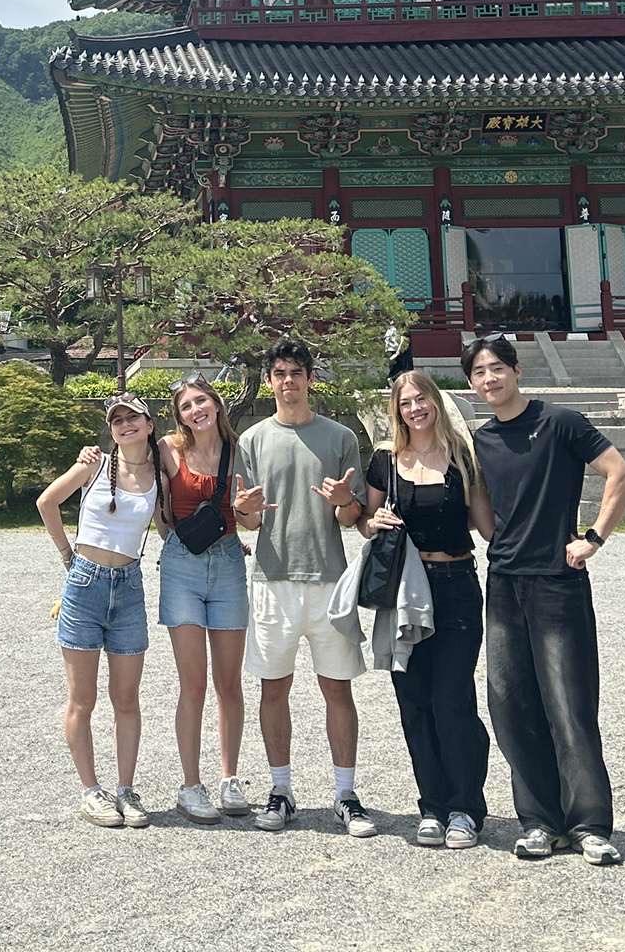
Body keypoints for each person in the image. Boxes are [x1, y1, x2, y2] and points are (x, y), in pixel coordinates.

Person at [462, 333, 625, 866]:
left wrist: (593, 537)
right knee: (511, 705)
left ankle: (588, 824)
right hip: (505, 580)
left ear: (516, 370)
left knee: (570, 704)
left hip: (558, 580)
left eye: (497, 368)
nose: (489, 379)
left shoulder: (561, 422)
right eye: (478, 373)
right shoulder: (481, 440)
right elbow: (486, 518)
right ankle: (539, 821)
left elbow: (621, 474)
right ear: (470, 384)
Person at [236, 336, 377, 836]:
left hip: (329, 578)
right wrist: (246, 514)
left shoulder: (340, 437)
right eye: (279, 373)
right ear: (269, 380)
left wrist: (343, 500)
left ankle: (346, 793)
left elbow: (351, 515)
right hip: (272, 579)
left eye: (297, 372)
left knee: (336, 688)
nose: (288, 382)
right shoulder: (251, 441)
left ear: (310, 379)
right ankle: (281, 789)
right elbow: (247, 522)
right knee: (274, 688)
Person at [357, 369, 495, 851]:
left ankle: (466, 806)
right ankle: (432, 805)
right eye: (405, 403)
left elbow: (486, 526)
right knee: (413, 700)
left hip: (456, 582)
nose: (415, 409)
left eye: (421, 399)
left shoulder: (463, 457)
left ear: (436, 401)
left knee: (453, 698)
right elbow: (365, 523)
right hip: (405, 592)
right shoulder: (386, 462)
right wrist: (369, 519)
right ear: (396, 411)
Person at [37, 394, 164, 829]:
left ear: (149, 424)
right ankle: (91, 790)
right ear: (110, 430)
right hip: (85, 584)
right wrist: (67, 557)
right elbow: (46, 502)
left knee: (126, 698)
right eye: (117, 420)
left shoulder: (160, 474)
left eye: (133, 418)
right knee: (82, 698)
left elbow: (170, 525)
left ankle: (126, 789)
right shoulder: (93, 464)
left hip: (129, 587)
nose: (125, 425)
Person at [154, 376, 251, 822]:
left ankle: (230, 777)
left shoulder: (240, 450)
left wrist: (250, 513)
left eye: (202, 400)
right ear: (180, 417)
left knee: (229, 682)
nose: (196, 410)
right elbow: (143, 489)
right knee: (192, 682)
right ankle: (190, 785)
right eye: (187, 406)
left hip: (229, 560)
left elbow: (249, 516)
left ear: (216, 403)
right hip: (183, 567)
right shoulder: (169, 451)